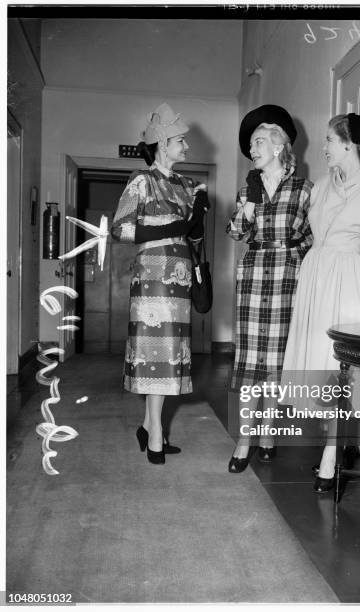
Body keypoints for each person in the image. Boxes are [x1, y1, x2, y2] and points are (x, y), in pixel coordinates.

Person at [282, 113, 360, 492]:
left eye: (330, 140)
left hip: (348, 276)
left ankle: (332, 459)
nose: (324, 147)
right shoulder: (321, 185)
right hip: (315, 273)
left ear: (350, 145)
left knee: (338, 366)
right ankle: (336, 445)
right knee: (317, 361)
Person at [111, 102, 209, 465]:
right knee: (158, 355)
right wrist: (172, 227)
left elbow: (194, 236)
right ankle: (154, 433)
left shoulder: (186, 184)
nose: (186, 146)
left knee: (171, 356)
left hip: (180, 278)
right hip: (152, 277)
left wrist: (198, 209)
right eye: (180, 140)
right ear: (162, 143)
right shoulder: (142, 180)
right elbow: (120, 229)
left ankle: (149, 426)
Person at [226, 104, 313, 473]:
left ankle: (268, 436)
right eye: (250, 144)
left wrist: (297, 262)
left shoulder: (304, 189)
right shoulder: (249, 188)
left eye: (259, 141)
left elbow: (312, 238)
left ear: (279, 146)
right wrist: (245, 208)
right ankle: (244, 441)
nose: (252, 149)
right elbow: (235, 233)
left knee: (275, 362)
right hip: (254, 275)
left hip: (286, 279)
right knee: (249, 362)